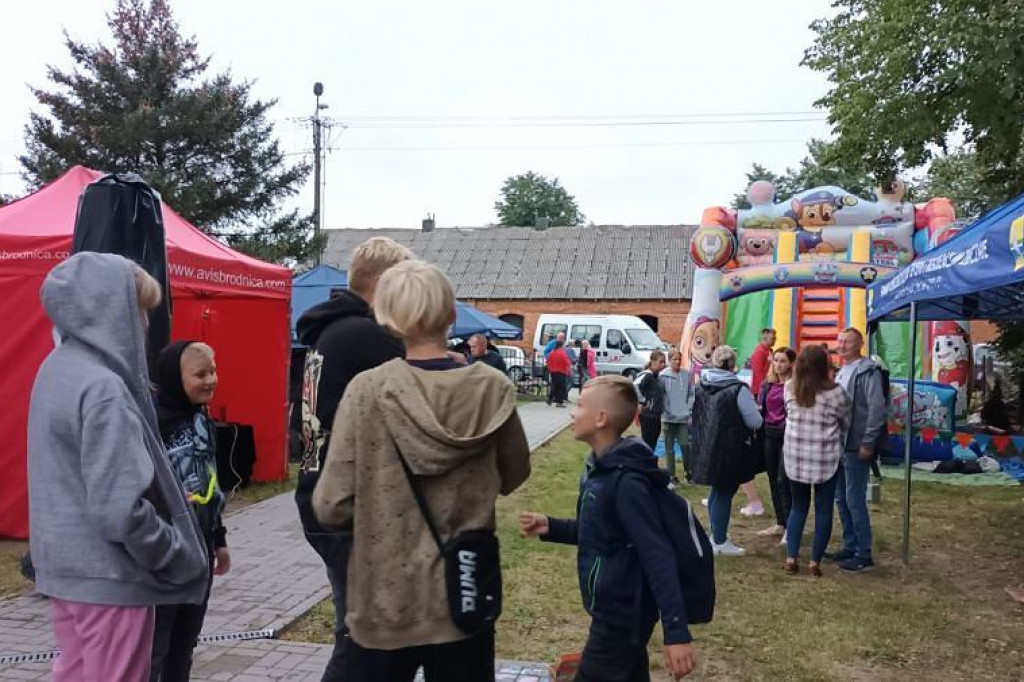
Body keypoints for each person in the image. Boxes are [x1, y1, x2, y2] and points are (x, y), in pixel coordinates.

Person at [312, 260, 531, 682]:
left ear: (386, 319)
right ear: (452, 316)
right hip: (463, 593)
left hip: (384, 600)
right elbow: (514, 474)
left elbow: (331, 504)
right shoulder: (493, 388)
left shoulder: (368, 391)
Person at [27, 253, 209, 682]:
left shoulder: (55, 370)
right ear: (109, 309)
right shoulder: (104, 387)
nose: (144, 324)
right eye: (139, 310)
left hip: (66, 571)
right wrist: (173, 550)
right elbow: (119, 509)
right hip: (111, 577)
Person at [519, 375, 697, 681]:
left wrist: (676, 631)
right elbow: (602, 534)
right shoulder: (600, 471)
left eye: (580, 405)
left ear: (601, 419)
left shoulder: (625, 482)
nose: (573, 413)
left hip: (622, 613)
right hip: (615, 611)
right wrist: (552, 527)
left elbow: (658, 555)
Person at [294, 236, 413, 680]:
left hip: (321, 494)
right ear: (382, 283)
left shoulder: (330, 331)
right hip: (354, 510)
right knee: (365, 642)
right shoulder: (368, 336)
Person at [151, 341, 231, 681]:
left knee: (186, 641)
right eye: (200, 374)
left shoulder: (202, 419)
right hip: (166, 553)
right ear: (174, 377)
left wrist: (219, 538)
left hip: (200, 549)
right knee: (158, 645)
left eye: (212, 370)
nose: (210, 379)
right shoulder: (154, 424)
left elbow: (210, 483)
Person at [782, 346, 851, 577]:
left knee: (798, 507)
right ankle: (814, 561)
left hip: (795, 456)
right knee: (823, 510)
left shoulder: (789, 388)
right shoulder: (836, 393)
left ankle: (791, 557)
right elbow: (846, 421)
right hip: (825, 457)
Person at [690, 345, 763, 557]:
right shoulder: (737, 389)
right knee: (724, 492)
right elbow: (755, 421)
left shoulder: (701, 384)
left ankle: (716, 536)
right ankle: (719, 540)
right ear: (732, 364)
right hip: (730, 448)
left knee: (716, 490)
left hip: (706, 444)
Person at [825, 327, 886, 573]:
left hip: (856, 445)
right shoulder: (841, 371)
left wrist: (868, 442)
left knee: (854, 499)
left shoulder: (867, 371)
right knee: (841, 497)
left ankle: (864, 552)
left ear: (859, 344)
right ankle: (850, 545)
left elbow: (876, 409)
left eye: (847, 342)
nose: (842, 345)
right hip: (838, 445)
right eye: (839, 341)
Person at [755, 347, 796, 540]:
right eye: (776, 360)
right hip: (769, 435)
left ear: (791, 364)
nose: (779, 365)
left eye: (783, 361)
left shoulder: (795, 385)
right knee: (772, 477)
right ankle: (781, 522)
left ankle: (791, 526)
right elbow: (761, 409)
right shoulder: (767, 385)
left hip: (787, 435)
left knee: (783, 479)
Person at [660, 349, 694, 488]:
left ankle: (688, 472)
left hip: (683, 416)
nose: (677, 362)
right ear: (669, 360)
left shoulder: (686, 375)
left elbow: (691, 393)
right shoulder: (663, 376)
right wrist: (668, 411)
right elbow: (662, 396)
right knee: (669, 448)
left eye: (679, 359)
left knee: (685, 444)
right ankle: (671, 475)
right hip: (668, 417)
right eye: (674, 359)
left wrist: (688, 408)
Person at [636, 350, 667, 452]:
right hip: (648, 415)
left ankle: (648, 464)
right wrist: (643, 401)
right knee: (647, 443)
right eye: (660, 362)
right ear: (652, 362)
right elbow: (635, 386)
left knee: (653, 443)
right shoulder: (647, 375)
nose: (663, 364)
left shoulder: (656, 376)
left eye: (664, 362)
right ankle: (644, 465)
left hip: (656, 415)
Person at [749, 328, 776, 396]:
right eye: (772, 338)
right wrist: (762, 390)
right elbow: (757, 373)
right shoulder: (759, 352)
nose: (774, 341)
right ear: (765, 337)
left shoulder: (769, 351)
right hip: (760, 391)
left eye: (775, 339)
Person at [546, 339, 572, 407]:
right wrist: (568, 370)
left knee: (555, 385)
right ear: (561, 346)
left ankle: (550, 398)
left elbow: (548, 361)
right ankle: (559, 402)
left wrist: (550, 368)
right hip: (561, 371)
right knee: (561, 387)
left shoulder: (552, 353)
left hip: (553, 371)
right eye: (563, 345)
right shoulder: (562, 353)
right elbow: (567, 362)